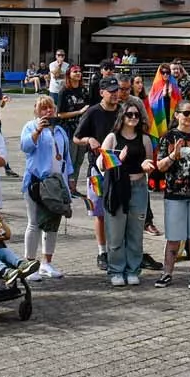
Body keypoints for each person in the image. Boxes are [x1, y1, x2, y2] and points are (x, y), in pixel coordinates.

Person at [154, 98, 190, 289]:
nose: (189, 117)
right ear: (177, 114)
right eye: (185, 113)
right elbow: (160, 166)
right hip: (174, 193)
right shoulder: (168, 137)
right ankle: (167, 273)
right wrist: (173, 155)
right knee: (174, 237)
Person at [100, 99, 155, 286]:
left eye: (136, 115)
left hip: (138, 186)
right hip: (117, 187)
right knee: (115, 233)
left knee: (135, 232)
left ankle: (133, 269)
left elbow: (148, 162)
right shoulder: (112, 138)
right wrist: (117, 158)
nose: (133, 118)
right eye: (129, 114)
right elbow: (100, 164)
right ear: (122, 116)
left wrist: (147, 167)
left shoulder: (145, 139)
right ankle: (116, 270)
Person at [72, 75, 122, 271]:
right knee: (99, 212)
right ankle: (102, 252)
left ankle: (118, 249)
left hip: (119, 168)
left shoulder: (124, 112)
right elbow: (76, 138)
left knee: (118, 212)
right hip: (97, 170)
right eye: (111, 91)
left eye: (117, 91)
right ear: (102, 93)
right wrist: (89, 140)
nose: (115, 95)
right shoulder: (93, 112)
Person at [19, 96, 72, 279]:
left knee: (52, 224)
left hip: (57, 183)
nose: (48, 111)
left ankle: (46, 263)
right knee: (34, 223)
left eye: (50, 108)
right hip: (37, 183)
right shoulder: (30, 126)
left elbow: (66, 157)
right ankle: (29, 264)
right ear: (36, 111)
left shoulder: (60, 131)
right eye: (43, 109)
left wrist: (69, 179)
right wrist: (37, 131)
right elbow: (25, 147)